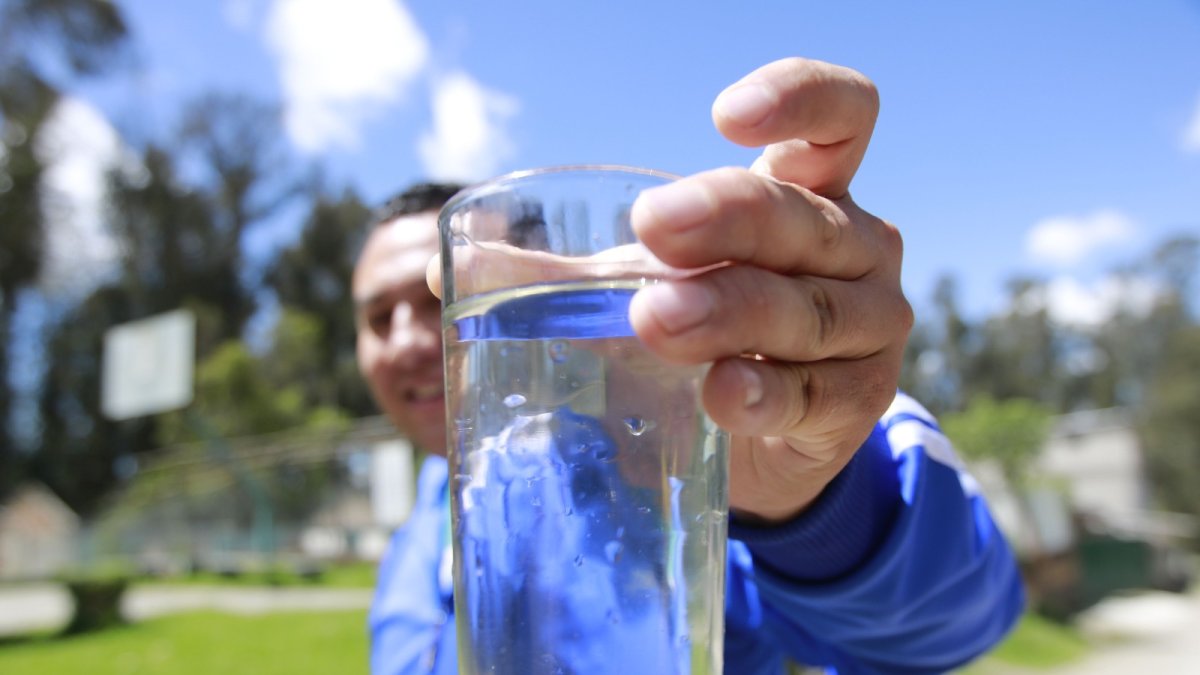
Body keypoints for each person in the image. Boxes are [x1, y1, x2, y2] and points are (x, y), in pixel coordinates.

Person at [355, 57, 1024, 675]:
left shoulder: (666, 461)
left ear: (548, 276)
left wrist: (804, 504)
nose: (413, 337)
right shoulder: (417, 536)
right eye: (379, 316)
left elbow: (957, 621)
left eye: (438, 295)